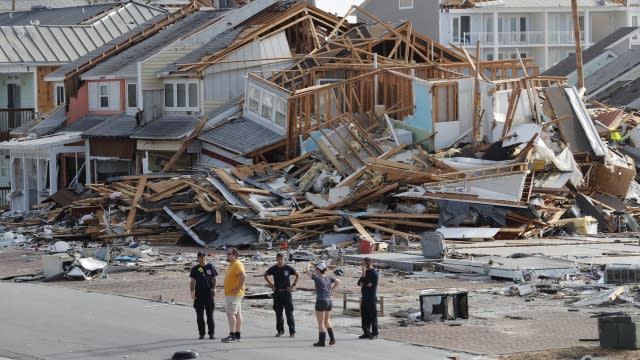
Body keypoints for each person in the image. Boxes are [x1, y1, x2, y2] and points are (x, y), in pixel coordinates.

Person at [264, 253, 300, 337]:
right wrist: (271, 285)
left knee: (289, 313)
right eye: (278, 259)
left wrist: (293, 285)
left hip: (287, 293)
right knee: (278, 313)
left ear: (284, 259)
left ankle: (292, 331)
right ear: (276, 260)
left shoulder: (288, 268)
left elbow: (298, 275)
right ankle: (280, 331)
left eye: (281, 259)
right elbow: (265, 275)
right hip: (277, 293)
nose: (279, 261)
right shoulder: (273, 268)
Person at [306, 261, 340, 347]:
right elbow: (338, 281)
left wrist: (309, 264)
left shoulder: (317, 278)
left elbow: (307, 271)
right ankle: (332, 338)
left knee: (320, 323)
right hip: (329, 301)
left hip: (321, 301)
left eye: (316, 269)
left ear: (318, 270)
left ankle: (321, 342)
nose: (315, 270)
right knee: (326, 321)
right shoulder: (329, 278)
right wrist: (332, 289)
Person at [189, 251, 218, 340]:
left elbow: (214, 279)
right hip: (199, 293)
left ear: (206, 257)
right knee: (199, 315)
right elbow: (192, 282)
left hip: (208, 293)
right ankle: (201, 333)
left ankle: (211, 333)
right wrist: (192, 292)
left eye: (203, 257)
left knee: (210, 315)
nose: (202, 259)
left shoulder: (210, 266)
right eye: (200, 257)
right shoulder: (195, 268)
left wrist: (214, 288)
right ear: (198, 258)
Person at [221, 247, 245, 343]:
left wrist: (238, 288)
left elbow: (243, 276)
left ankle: (232, 334)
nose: (228, 255)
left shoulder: (237, 264)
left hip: (234, 294)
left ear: (235, 255)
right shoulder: (232, 264)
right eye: (227, 254)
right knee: (237, 313)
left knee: (230, 313)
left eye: (230, 254)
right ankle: (237, 334)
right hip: (232, 293)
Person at [357, 257, 379, 339]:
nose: (362, 265)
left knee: (372, 316)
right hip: (364, 298)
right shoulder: (365, 272)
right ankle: (366, 332)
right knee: (364, 316)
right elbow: (359, 283)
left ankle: (375, 333)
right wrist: (363, 272)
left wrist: (364, 282)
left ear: (367, 263)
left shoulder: (374, 273)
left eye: (363, 264)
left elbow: (369, 284)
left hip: (371, 298)